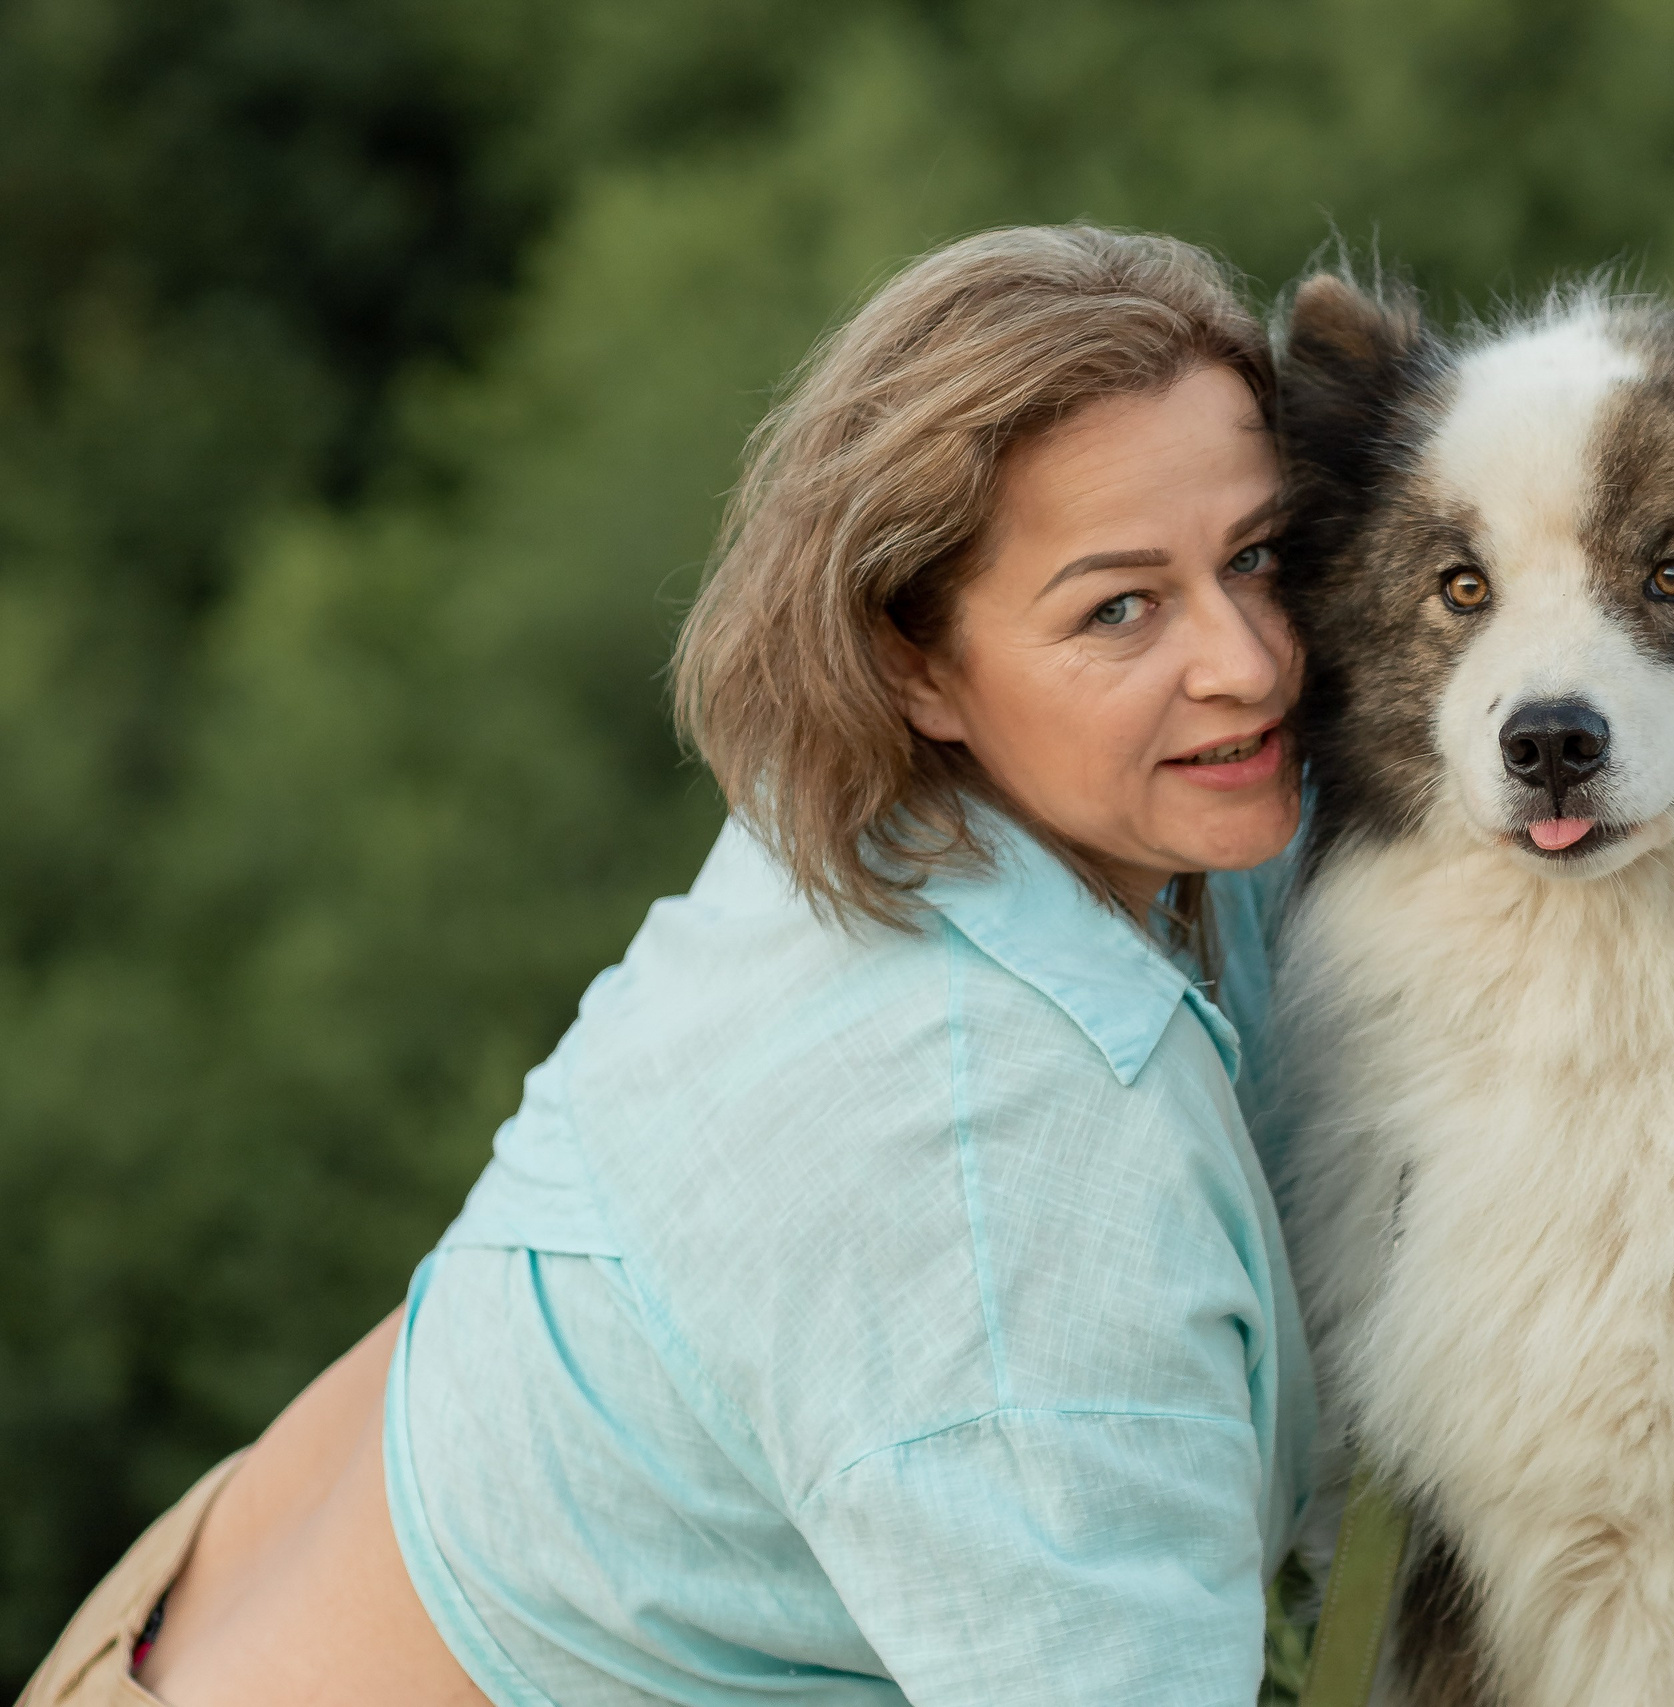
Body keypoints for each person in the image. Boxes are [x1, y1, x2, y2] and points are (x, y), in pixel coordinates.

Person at [18, 225, 1315, 1707]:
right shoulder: (998, 1178)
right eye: (1118, 608)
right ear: (913, 663)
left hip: (207, 1597)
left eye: (1261, 556)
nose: (1252, 661)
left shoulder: (944, 813)